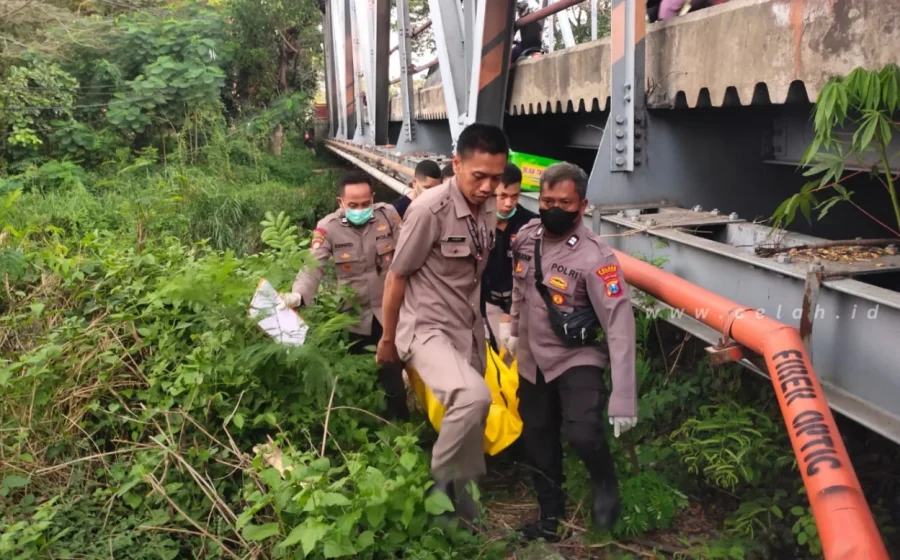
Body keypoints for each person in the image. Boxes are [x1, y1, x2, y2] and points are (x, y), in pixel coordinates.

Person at [376, 123, 509, 523]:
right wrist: (388, 340)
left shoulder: (486, 206)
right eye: (479, 176)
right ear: (457, 164)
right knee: (473, 397)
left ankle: (465, 510)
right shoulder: (427, 210)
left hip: (466, 326)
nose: (488, 187)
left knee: (473, 415)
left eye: (497, 178)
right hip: (426, 327)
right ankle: (439, 490)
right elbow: (397, 276)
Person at [507, 162, 638, 542]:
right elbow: (519, 289)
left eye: (564, 202)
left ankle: (604, 482)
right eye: (547, 200)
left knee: (583, 432)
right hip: (532, 359)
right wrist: (513, 333)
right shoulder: (526, 237)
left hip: (575, 356)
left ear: (582, 205)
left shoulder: (597, 257)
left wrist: (624, 396)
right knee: (538, 439)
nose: (554, 209)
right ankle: (550, 514)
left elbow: (619, 323)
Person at [281, 170, 410, 421]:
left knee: (392, 374)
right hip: (353, 316)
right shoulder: (328, 228)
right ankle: (363, 426)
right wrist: (297, 296)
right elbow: (312, 266)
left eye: (365, 203)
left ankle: (400, 426)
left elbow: (409, 252)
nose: (360, 209)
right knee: (358, 376)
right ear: (341, 203)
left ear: (373, 198)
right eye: (353, 205)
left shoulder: (388, 216)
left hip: (390, 312)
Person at [481, 163, 537, 351]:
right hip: (485, 301)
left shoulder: (529, 224)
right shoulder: (476, 220)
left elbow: (532, 273)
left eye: (514, 196)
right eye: (502, 196)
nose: (508, 204)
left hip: (519, 304)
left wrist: (509, 311)